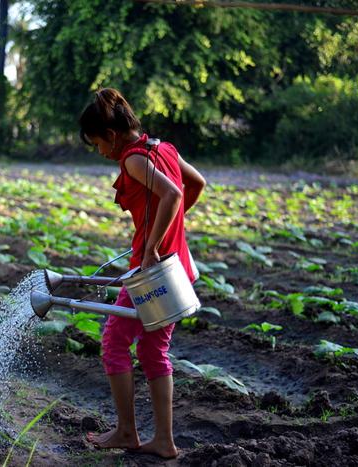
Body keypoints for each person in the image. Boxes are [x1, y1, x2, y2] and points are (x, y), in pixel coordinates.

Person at [78, 88, 206, 459]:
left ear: (111, 135)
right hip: (177, 265)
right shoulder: (163, 147)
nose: (101, 152)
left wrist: (151, 246)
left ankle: (126, 431)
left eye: (97, 144)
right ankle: (162, 440)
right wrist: (170, 230)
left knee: (114, 341)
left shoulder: (133, 159)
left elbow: (173, 195)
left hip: (154, 270)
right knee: (154, 349)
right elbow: (195, 184)